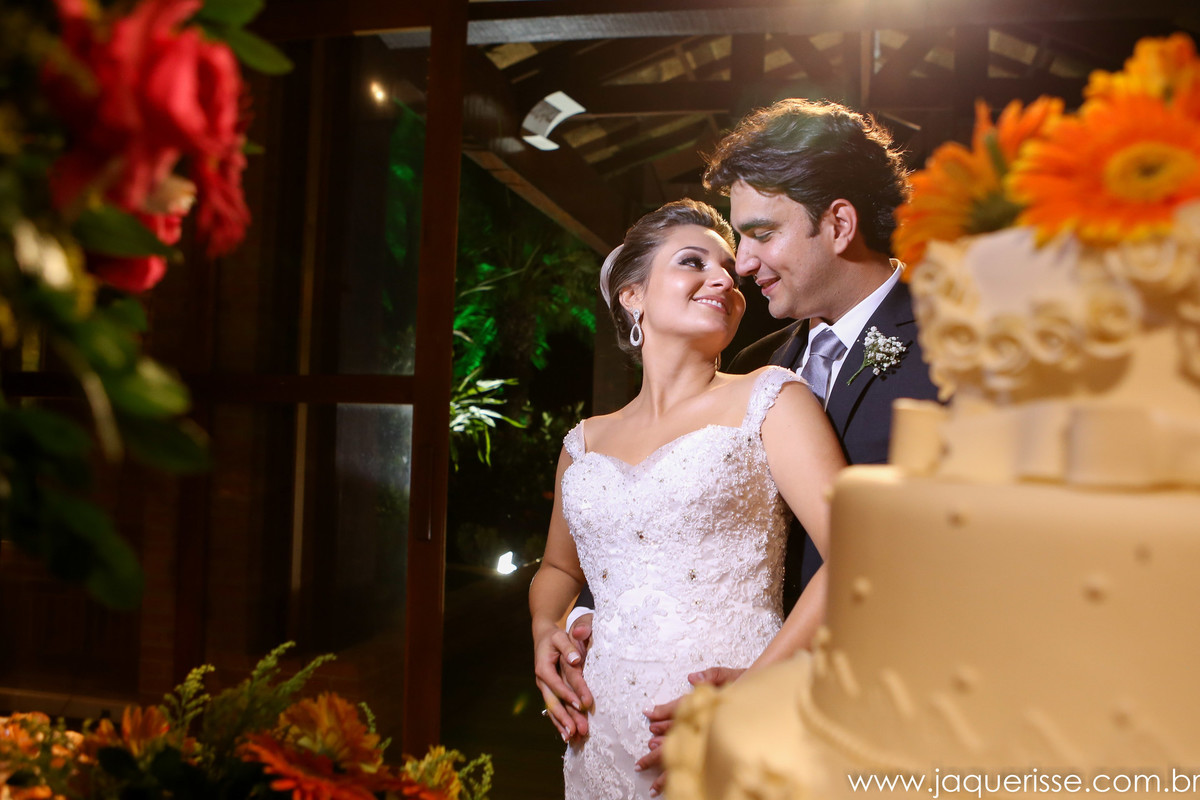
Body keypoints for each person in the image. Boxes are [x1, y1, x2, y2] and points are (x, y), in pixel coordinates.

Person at [547, 99, 942, 793]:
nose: (743, 267)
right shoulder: (763, 363)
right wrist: (570, 625)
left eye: (758, 235)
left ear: (839, 224)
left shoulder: (960, 341)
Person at [529, 198, 845, 799]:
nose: (725, 278)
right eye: (694, 262)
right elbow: (559, 569)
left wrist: (753, 692)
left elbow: (857, 554)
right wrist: (546, 627)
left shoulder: (771, 399)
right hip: (599, 738)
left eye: (730, 271)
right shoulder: (583, 442)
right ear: (633, 295)